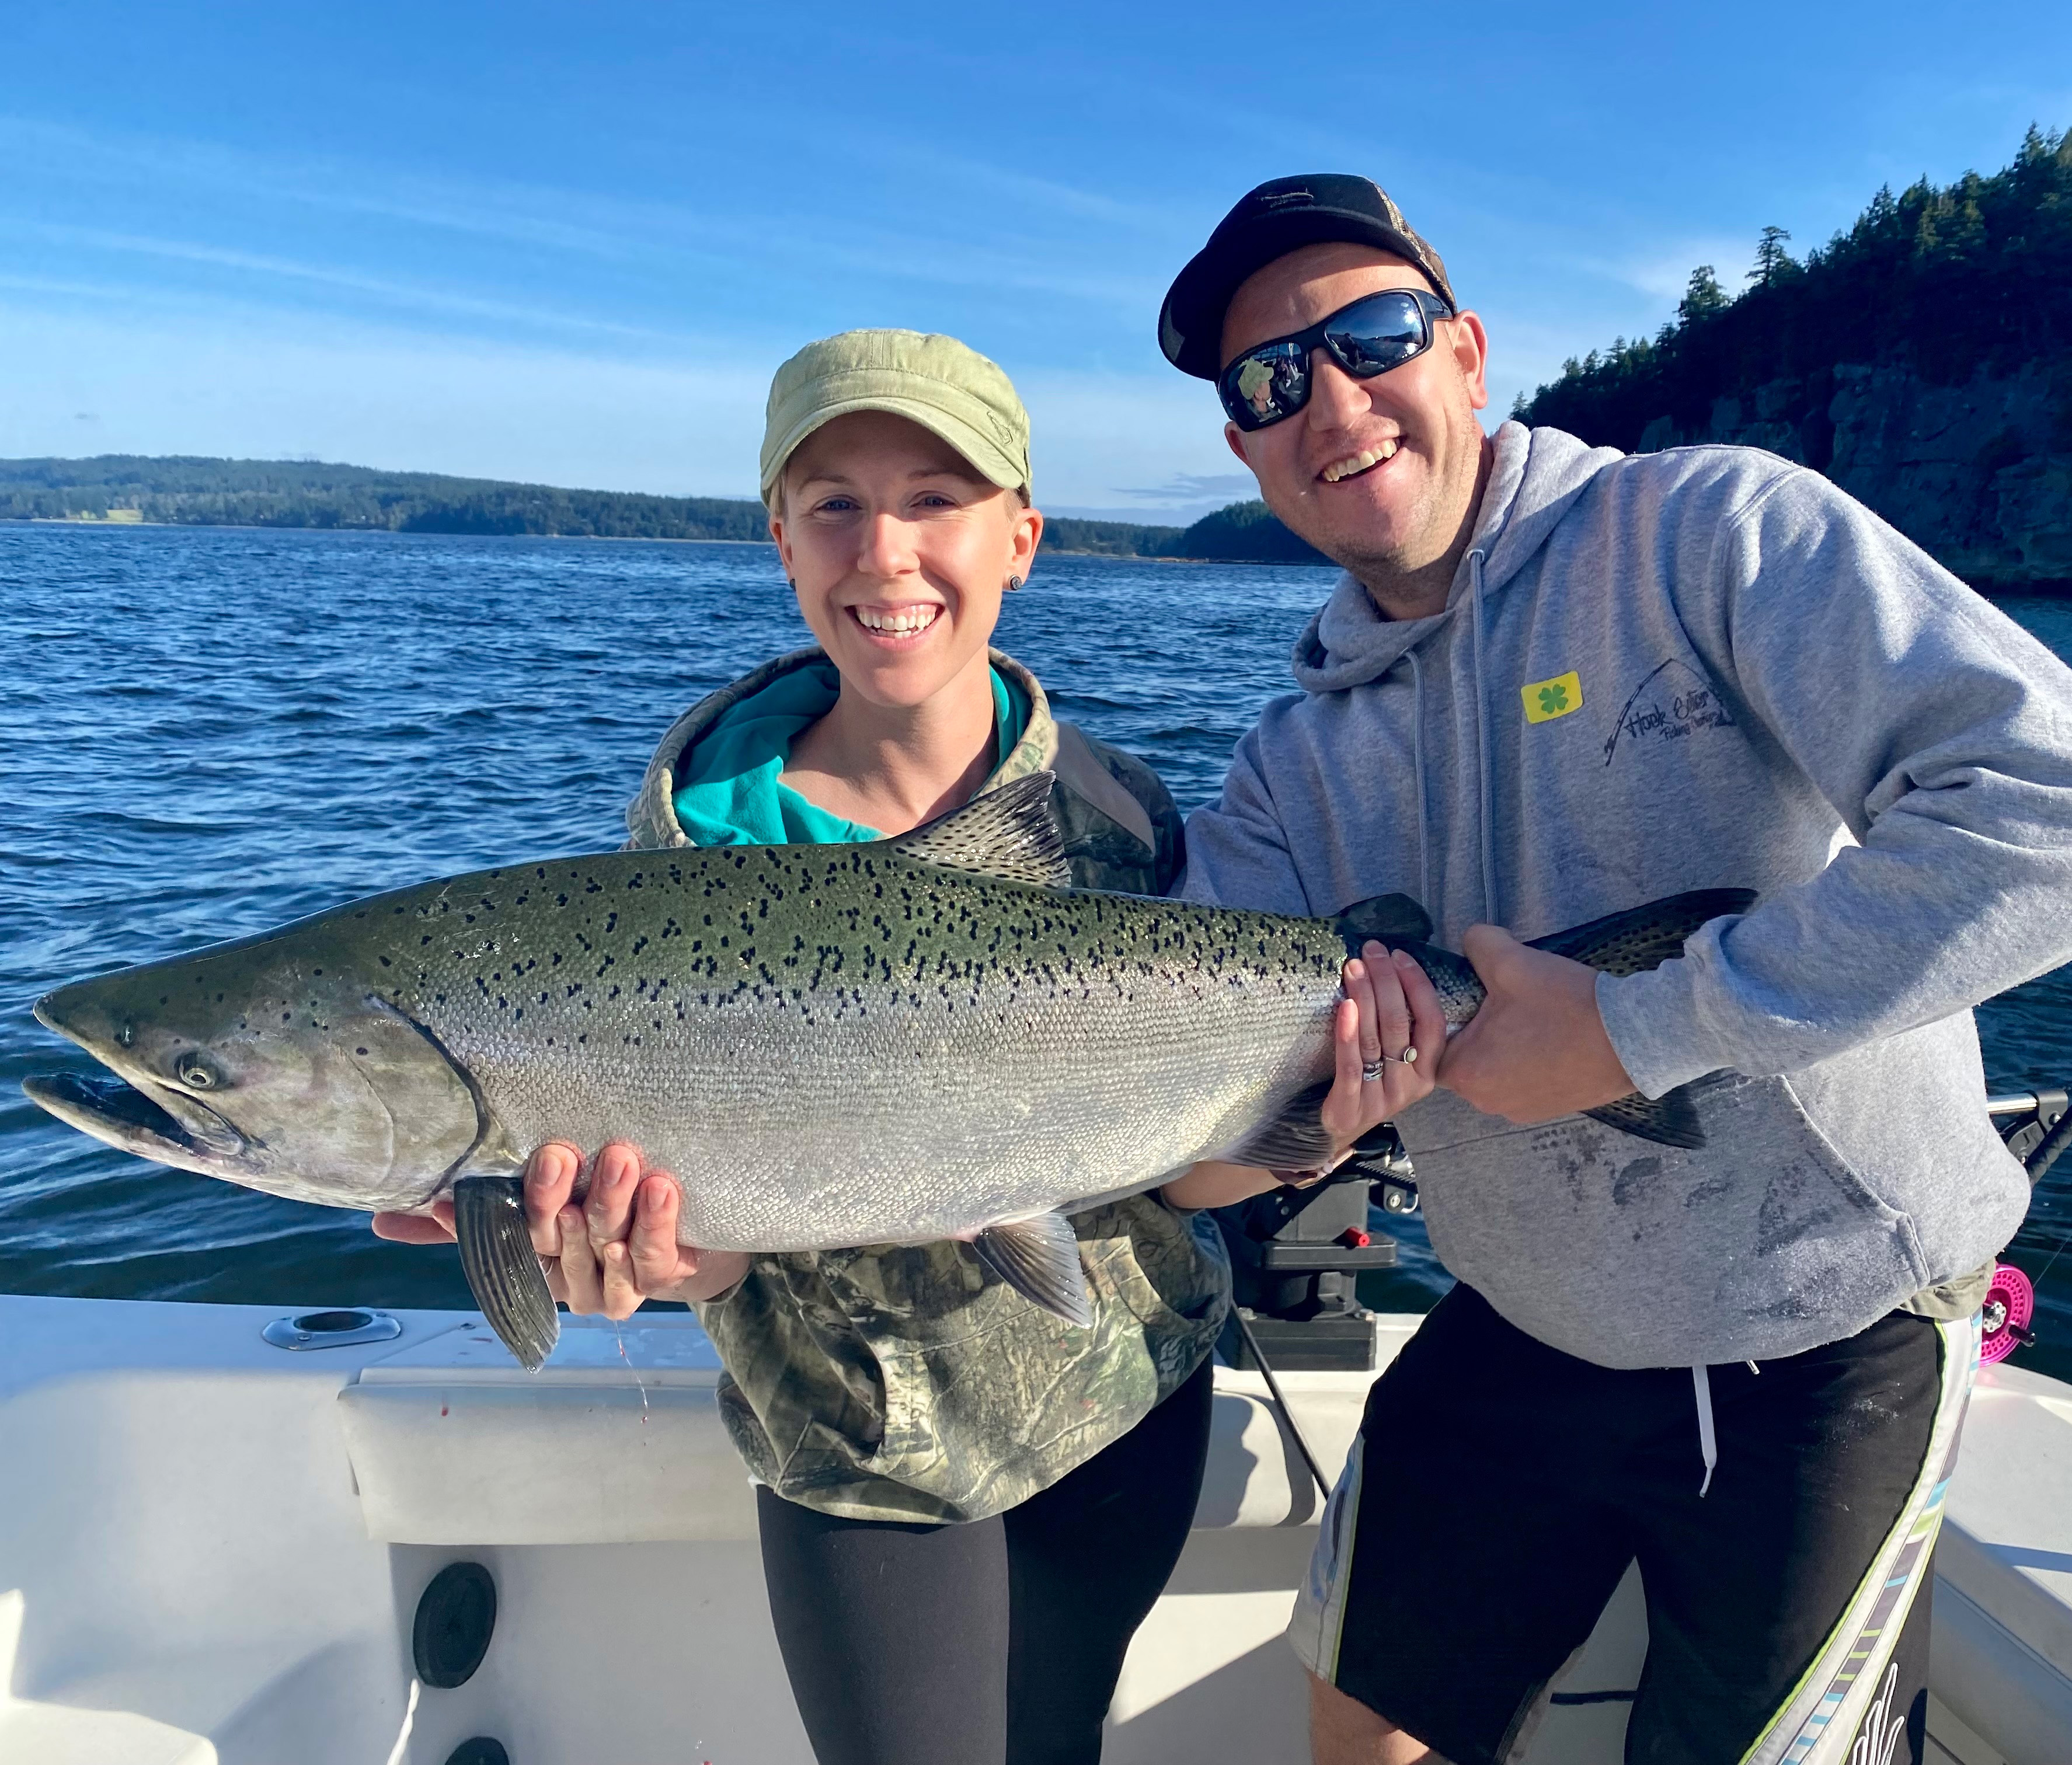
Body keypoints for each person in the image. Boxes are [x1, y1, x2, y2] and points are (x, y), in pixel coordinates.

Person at [1152, 176, 2072, 1765]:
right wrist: (1285, 1124)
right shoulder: (1288, 765)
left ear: (1468, 354)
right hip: (1521, 1314)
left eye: (1374, 335)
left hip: (1826, 1331)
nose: (1335, 399)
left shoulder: (1709, 530)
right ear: (1242, 443)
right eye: (1271, 380)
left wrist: (1638, 1030)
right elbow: (1201, 1155)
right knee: (1359, 1740)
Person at [374, 328, 1404, 1765]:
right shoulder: (684, 855)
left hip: (1125, 1403)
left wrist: (1339, 1111)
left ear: (1022, 538)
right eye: (836, 505)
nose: (886, 551)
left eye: (935, 499)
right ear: (781, 541)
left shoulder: (1126, 821)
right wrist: (667, 1260)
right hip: (858, 1461)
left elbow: (1178, 1183)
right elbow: (722, 1240)